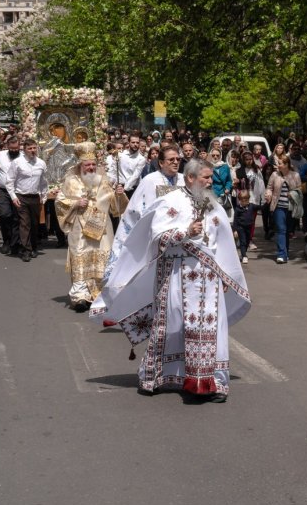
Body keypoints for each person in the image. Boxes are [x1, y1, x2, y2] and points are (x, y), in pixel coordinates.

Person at [94, 159, 250, 402]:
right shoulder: (171, 201)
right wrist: (185, 232)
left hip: (209, 280)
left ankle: (209, 382)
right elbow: (156, 236)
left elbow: (224, 245)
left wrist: (226, 274)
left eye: (211, 178)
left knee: (208, 328)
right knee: (170, 325)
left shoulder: (213, 205)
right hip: (176, 274)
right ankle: (155, 376)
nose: (211, 182)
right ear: (190, 178)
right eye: (206, 178)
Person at [55, 143, 128, 310]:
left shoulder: (104, 180)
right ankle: (80, 296)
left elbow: (116, 208)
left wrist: (119, 194)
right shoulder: (70, 180)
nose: (91, 167)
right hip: (79, 228)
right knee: (80, 256)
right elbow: (60, 201)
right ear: (80, 165)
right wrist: (75, 203)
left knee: (101, 257)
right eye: (87, 165)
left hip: (101, 226)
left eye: (93, 164)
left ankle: (100, 294)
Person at [11, 138, 48, 262]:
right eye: (30, 148)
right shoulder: (17, 162)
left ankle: (33, 246)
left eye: (34, 148)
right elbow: (9, 181)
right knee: (24, 223)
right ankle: (26, 250)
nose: (32, 151)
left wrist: (44, 195)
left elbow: (43, 181)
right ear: (24, 149)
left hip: (35, 197)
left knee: (34, 223)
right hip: (21, 196)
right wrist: (13, 197)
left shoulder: (41, 163)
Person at [0, 136, 22, 255]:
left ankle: (15, 243)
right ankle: (6, 241)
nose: (14, 150)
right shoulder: (0, 155)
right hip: (3, 191)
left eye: (16, 148)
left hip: (17, 191)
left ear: (19, 146)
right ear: (7, 146)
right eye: (11, 148)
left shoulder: (23, 156)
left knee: (16, 217)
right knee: (4, 215)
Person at [267, 154, 301, 264]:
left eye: (280, 163)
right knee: (281, 229)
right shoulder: (274, 175)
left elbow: (300, 189)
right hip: (278, 207)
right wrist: (268, 195)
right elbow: (269, 188)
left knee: (287, 231)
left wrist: (293, 194)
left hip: (291, 207)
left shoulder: (295, 175)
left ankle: (285, 253)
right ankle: (281, 254)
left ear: (286, 164)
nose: (278, 165)